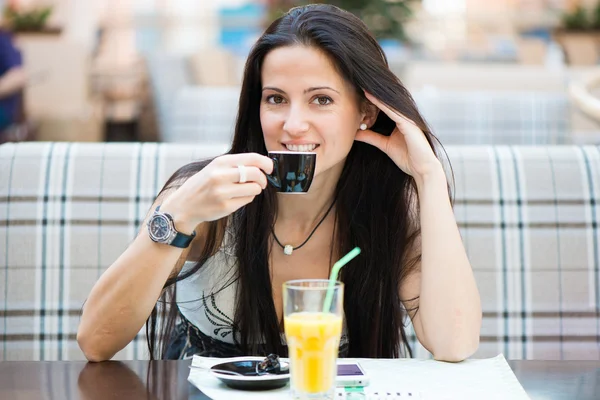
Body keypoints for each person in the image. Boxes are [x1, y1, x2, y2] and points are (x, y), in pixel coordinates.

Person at [77, 4, 481, 362]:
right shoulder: (203, 199)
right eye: (275, 99)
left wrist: (428, 178)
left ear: (366, 112)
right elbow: (95, 343)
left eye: (321, 99)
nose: (292, 124)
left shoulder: (389, 209)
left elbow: (454, 344)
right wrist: (179, 214)